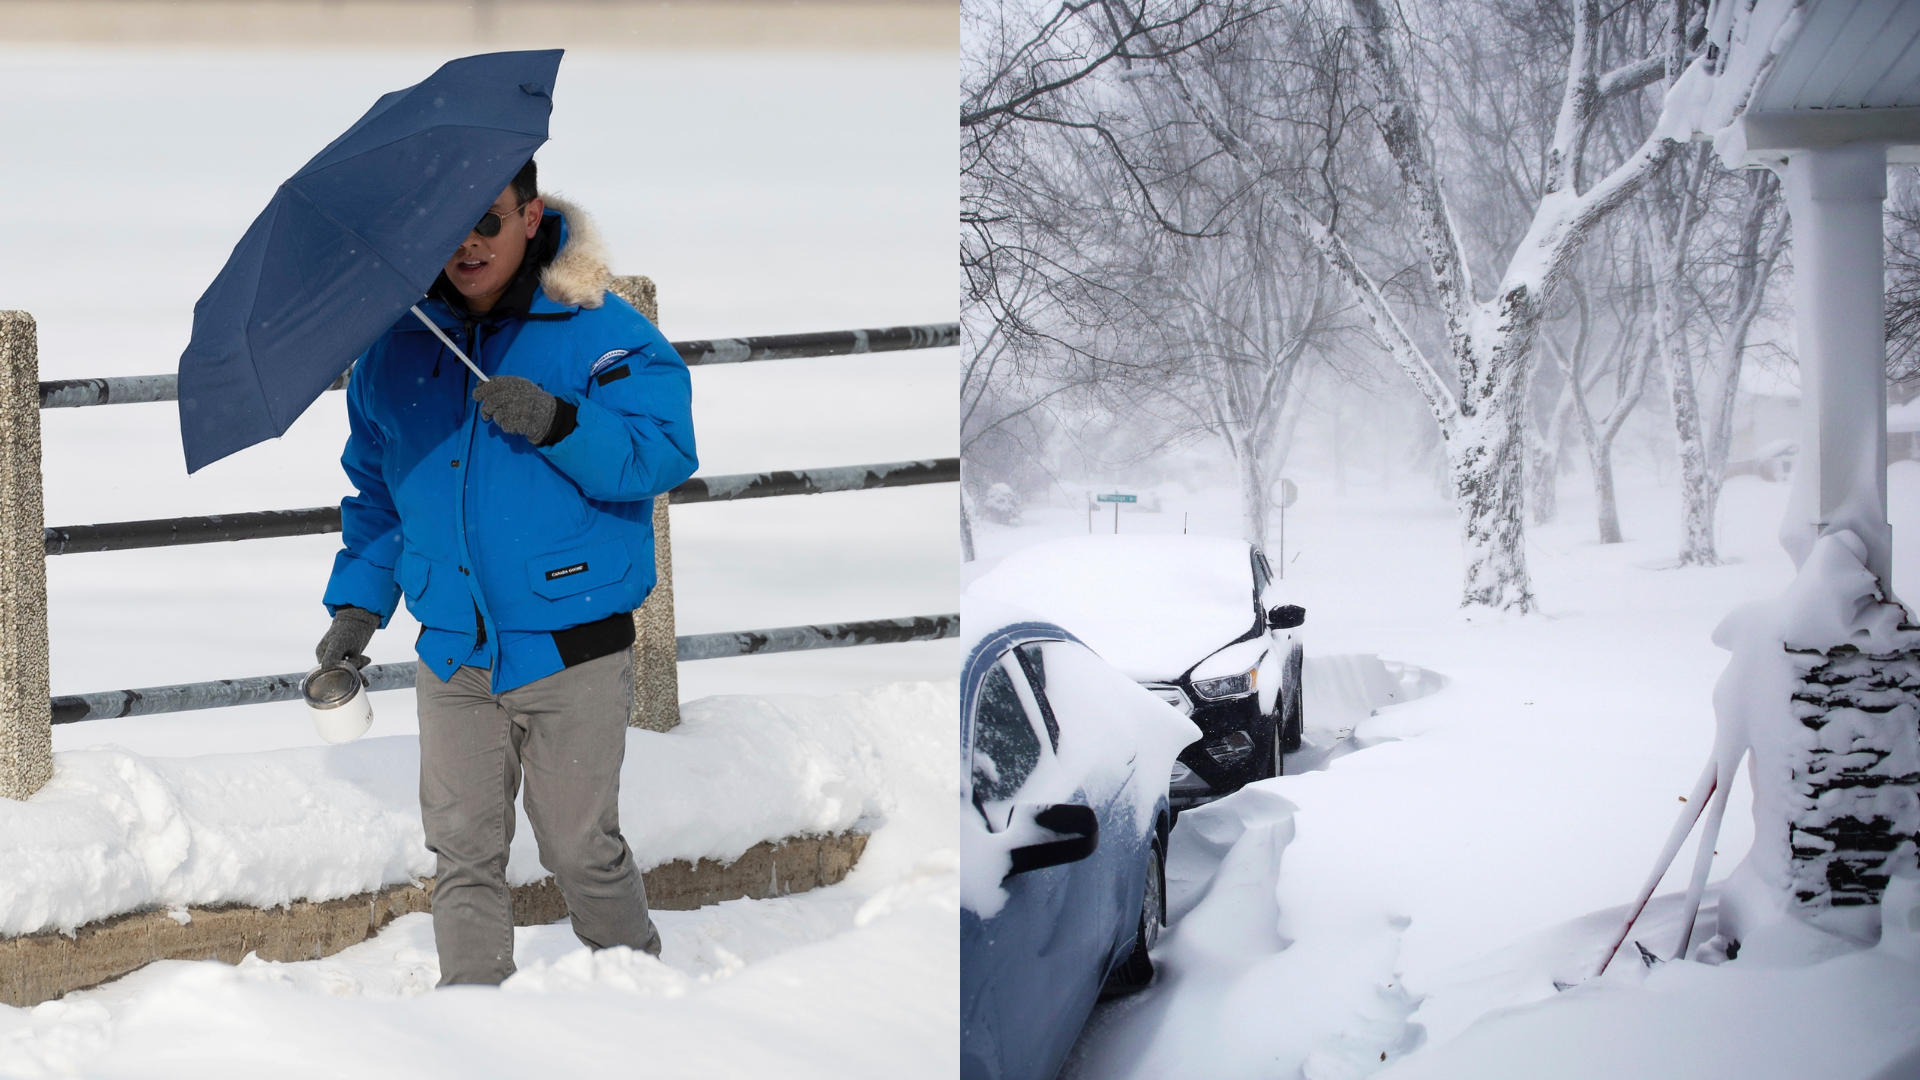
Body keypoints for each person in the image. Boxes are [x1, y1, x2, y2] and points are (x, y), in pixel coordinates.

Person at [312, 157, 697, 986]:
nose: (467, 243)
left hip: (573, 647)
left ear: (530, 215)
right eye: (447, 226)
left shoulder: (599, 329)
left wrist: (560, 420)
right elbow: (379, 499)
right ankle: (474, 1028)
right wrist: (357, 611)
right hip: (453, 651)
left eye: (486, 220)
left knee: (579, 849)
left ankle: (642, 998)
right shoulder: (396, 351)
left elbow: (661, 454)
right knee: (463, 853)